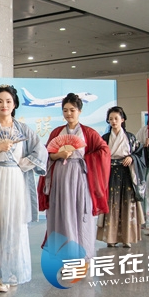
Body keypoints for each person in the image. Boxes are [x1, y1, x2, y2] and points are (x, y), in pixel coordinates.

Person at [0, 85, 48, 293]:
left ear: (14, 105)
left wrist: (23, 164)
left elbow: (40, 151)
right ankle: (0, 275)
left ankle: (12, 272)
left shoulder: (23, 129)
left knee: (13, 227)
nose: (4, 105)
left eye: (8, 101)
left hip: (15, 180)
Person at [38, 93, 110, 266]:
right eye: (65, 110)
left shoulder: (89, 133)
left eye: (72, 110)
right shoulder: (57, 132)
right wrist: (58, 155)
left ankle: (83, 257)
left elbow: (104, 151)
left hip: (80, 178)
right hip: (59, 179)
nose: (68, 113)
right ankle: (64, 256)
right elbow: (46, 155)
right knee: (60, 214)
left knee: (81, 214)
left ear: (80, 111)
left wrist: (86, 158)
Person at [97, 106, 146, 248]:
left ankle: (127, 238)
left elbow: (139, 154)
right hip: (110, 174)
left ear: (122, 119)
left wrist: (132, 158)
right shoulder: (105, 138)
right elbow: (98, 155)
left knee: (127, 205)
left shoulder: (130, 138)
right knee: (111, 205)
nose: (113, 121)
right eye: (110, 119)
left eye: (116, 118)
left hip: (127, 174)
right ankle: (111, 238)